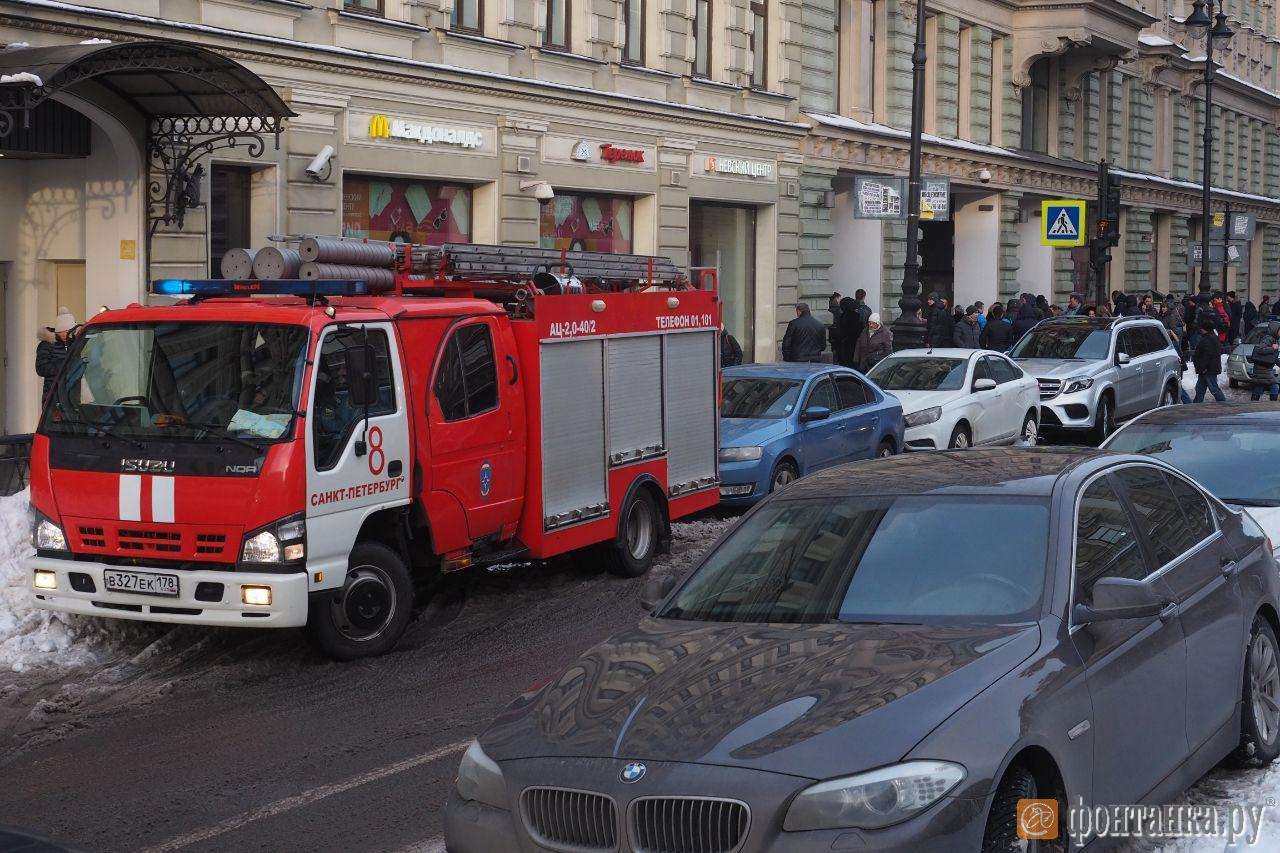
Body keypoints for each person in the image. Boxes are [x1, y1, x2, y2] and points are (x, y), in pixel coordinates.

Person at [36, 306, 78, 404]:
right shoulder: (46, 345)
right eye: (67, 331)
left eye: (71, 331)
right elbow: (41, 368)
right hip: (53, 397)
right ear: (60, 330)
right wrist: (64, 364)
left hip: (72, 396)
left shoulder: (73, 343)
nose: (70, 334)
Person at [1192, 318, 1226, 403]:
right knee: (1200, 389)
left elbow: (1207, 355)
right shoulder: (1210, 337)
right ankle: (1196, 404)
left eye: (1202, 328)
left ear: (1205, 329)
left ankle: (1224, 404)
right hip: (1206, 369)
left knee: (1213, 388)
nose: (1200, 330)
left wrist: (1203, 367)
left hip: (1208, 369)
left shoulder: (1208, 339)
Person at [1247, 321, 1280, 402]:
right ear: (1275, 330)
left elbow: (1272, 357)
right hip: (1263, 368)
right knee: (1274, 386)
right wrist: (1272, 348)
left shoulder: (1273, 339)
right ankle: (1272, 406)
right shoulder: (1268, 338)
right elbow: (1259, 349)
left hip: (1263, 368)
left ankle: (1253, 404)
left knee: (1259, 386)